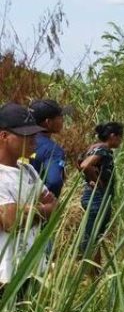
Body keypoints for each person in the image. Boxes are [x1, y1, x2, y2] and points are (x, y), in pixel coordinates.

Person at [0, 103, 56, 296]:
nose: (33, 140)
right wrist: (42, 209)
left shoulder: (28, 170)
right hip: (6, 273)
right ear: (4, 136)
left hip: (32, 266)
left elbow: (55, 207)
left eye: (34, 134)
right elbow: (11, 221)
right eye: (26, 134)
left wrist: (25, 209)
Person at [77, 122, 124, 262]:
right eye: (120, 137)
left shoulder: (92, 148)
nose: (121, 140)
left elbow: (79, 161)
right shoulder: (102, 150)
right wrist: (96, 180)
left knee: (93, 233)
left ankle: (91, 270)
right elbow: (85, 165)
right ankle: (88, 270)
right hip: (97, 197)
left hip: (92, 195)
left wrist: (90, 178)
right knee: (93, 236)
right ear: (113, 136)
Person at [28, 99, 67, 199]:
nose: (63, 120)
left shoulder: (18, 141)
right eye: (60, 117)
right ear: (48, 122)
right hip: (36, 209)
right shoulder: (53, 150)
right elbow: (55, 182)